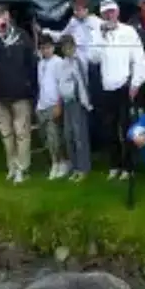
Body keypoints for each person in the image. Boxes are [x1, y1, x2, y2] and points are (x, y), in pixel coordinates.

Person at [93, 0, 145, 180]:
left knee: (127, 127)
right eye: (106, 12)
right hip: (106, 87)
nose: (109, 15)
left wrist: (135, 83)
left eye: (112, 11)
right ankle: (114, 165)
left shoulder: (128, 31)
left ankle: (128, 166)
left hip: (125, 86)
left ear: (117, 12)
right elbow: (93, 58)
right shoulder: (97, 33)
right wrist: (101, 36)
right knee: (109, 130)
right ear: (102, 15)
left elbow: (139, 58)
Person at [0, 5, 39, 183]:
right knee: (6, 134)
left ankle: (23, 168)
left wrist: (33, 89)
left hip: (21, 92)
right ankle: (12, 167)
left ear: (8, 16)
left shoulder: (22, 36)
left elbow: (32, 63)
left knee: (21, 132)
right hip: (1, 94)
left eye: (1, 15)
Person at [52, 36, 92, 181]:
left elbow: (82, 84)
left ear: (74, 47)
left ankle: (83, 168)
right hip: (66, 102)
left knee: (79, 135)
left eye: (69, 47)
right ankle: (75, 166)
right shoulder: (62, 64)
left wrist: (86, 103)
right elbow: (60, 84)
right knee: (69, 135)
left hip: (77, 102)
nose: (67, 50)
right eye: (64, 47)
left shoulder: (78, 62)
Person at [35, 34, 67, 179]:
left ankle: (59, 163)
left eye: (48, 47)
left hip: (54, 103)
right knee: (45, 137)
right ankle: (55, 161)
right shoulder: (40, 64)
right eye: (42, 48)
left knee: (54, 136)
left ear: (53, 48)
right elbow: (41, 85)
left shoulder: (59, 62)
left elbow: (61, 85)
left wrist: (59, 104)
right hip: (42, 104)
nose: (45, 50)